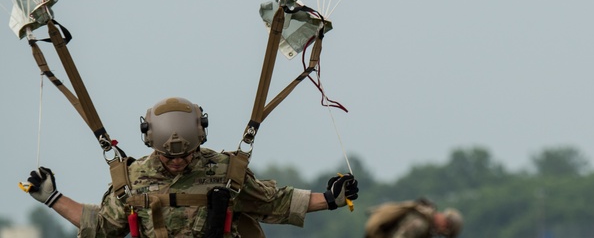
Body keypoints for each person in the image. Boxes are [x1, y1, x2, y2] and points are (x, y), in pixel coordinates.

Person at [25, 96, 359, 237]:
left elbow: (276, 204)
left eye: (186, 154)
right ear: (152, 146)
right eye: (169, 157)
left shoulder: (226, 171)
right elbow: (101, 226)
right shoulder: (133, 178)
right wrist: (53, 198)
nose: (178, 161)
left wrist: (331, 199)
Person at [364, 198, 462, 238]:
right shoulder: (420, 224)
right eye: (445, 231)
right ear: (446, 223)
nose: (441, 233)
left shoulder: (426, 224)